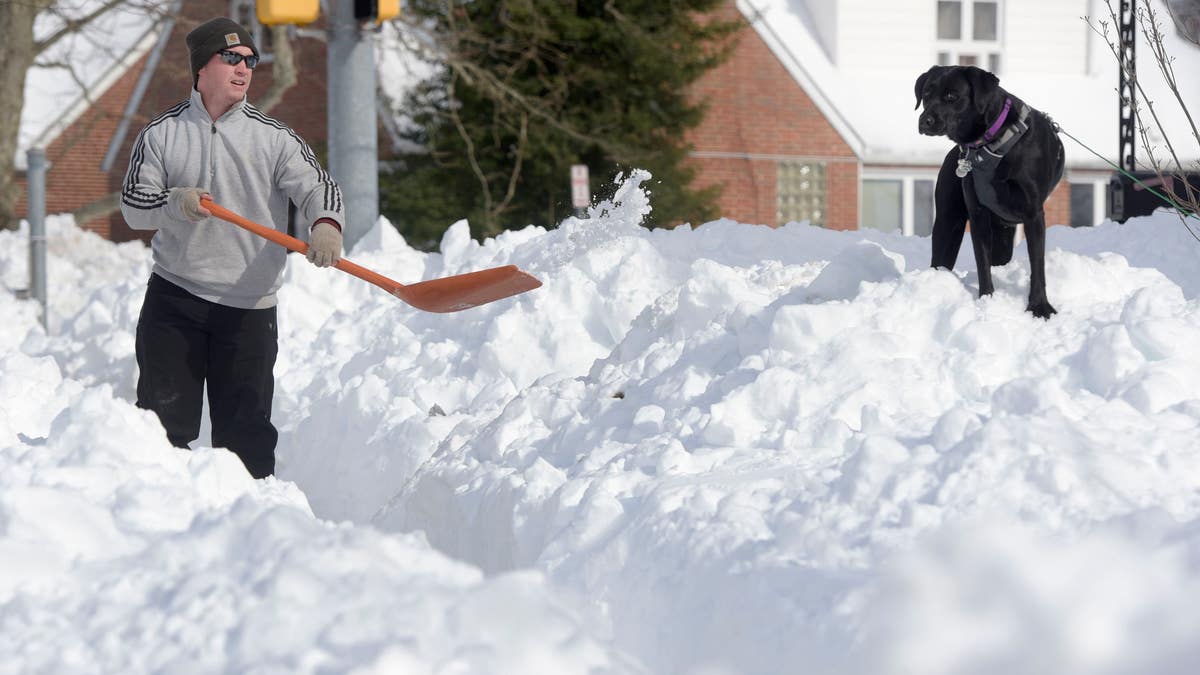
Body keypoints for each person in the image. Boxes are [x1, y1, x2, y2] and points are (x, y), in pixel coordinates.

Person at [120, 17, 344, 478]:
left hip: (248, 309)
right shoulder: (161, 133)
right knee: (161, 433)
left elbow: (318, 186)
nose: (244, 68)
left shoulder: (273, 137)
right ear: (201, 67)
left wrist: (325, 224)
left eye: (250, 61)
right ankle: (155, 525)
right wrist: (175, 202)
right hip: (175, 300)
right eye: (231, 58)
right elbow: (134, 207)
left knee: (246, 440)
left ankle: (249, 534)